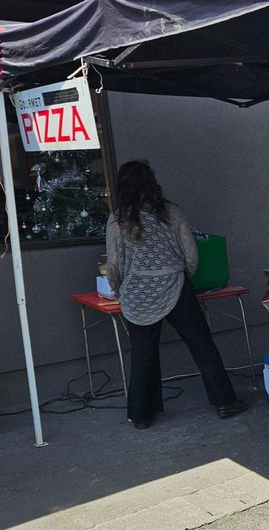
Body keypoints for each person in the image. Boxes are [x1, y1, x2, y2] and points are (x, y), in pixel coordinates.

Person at [106, 160, 246, 429]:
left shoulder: (118, 219)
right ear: (152, 183)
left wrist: (119, 287)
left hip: (137, 292)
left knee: (142, 354)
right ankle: (225, 401)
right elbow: (190, 255)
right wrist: (183, 277)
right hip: (176, 286)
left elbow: (114, 263)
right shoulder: (172, 212)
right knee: (202, 345)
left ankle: (142, 414)